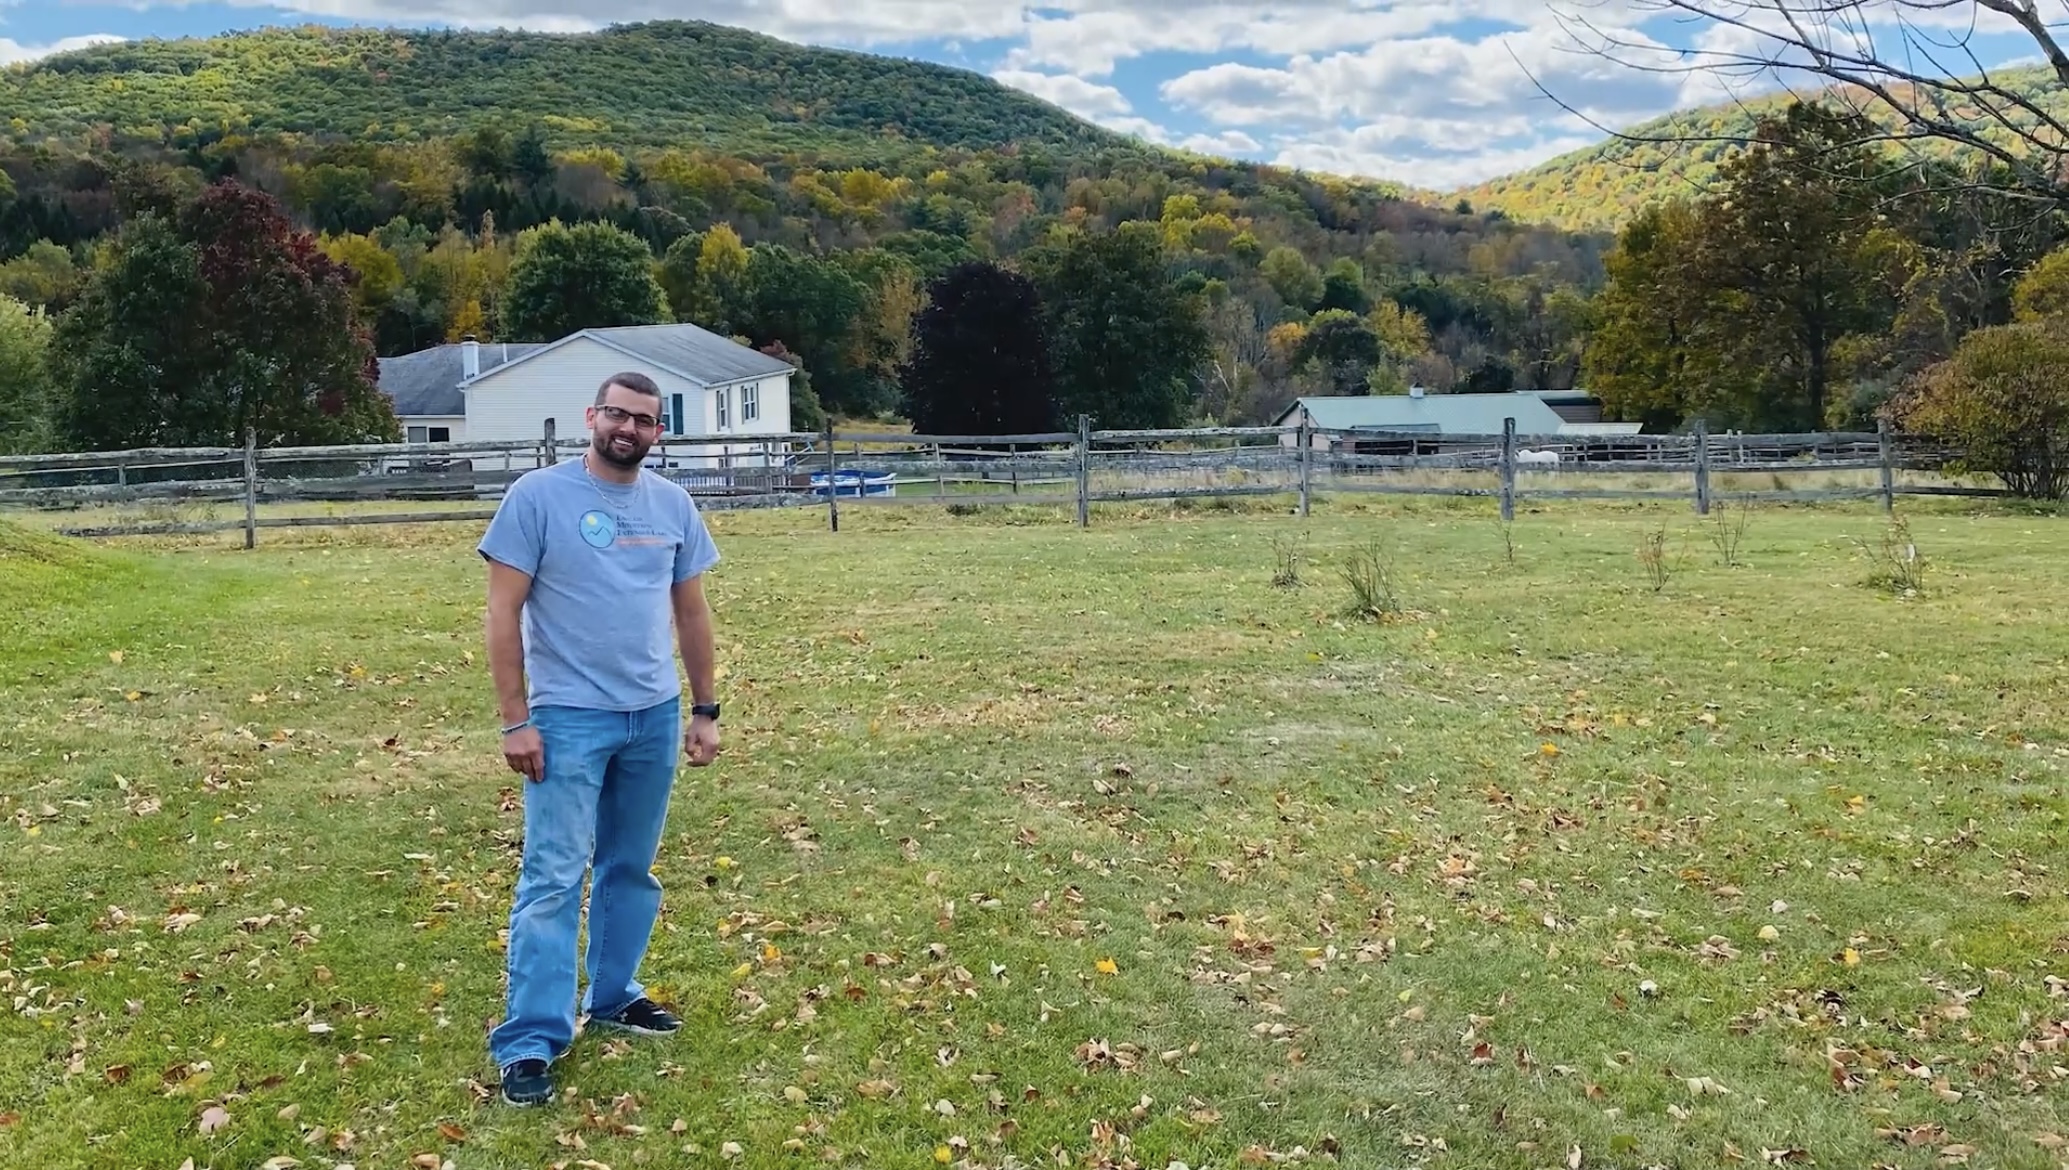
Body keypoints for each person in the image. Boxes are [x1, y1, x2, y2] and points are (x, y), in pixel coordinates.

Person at [477, 371, 723, 1107]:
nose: (629, 428)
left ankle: (614, 995)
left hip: (650, 714)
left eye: (645, 420)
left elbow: (692, 613)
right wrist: (516, 719)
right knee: (553, 877)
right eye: (617, 414)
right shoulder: (537, 498)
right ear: (592, 416)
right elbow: (501, 615)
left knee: (629, 867)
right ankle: (530, 1041)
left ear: (658, 433)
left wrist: (705, 709)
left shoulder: (672, 504)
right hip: (567, 718)